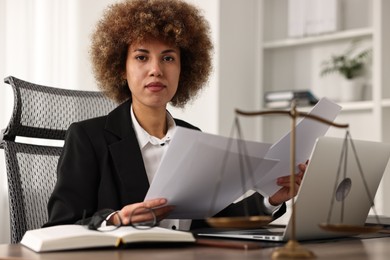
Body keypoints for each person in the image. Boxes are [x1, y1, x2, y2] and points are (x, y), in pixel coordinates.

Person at [44, 0, 306, 230]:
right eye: (141, 57)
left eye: (168, 58)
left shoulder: (193, 137)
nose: (156, 70)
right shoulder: (87, 138)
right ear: (121, 68)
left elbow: (210, 220)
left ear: (184, 69)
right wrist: (115, 220)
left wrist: (271, 199)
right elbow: (61, 224)